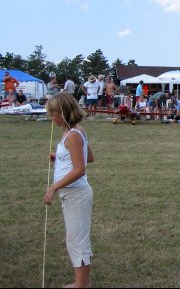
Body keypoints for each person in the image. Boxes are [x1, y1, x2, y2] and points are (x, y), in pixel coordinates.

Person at [44, 92, 95, 289]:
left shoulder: (73, 134)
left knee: (77, 241)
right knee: (75, 239)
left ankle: (81, 285)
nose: (52, 119)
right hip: (72, 194)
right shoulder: (73, 131)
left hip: (76, 195)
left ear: (64, 113)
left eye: (53, 114)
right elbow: (88, 157)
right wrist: (60, 156)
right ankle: (82, 282)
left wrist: (54, 187)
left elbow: (80, 169)